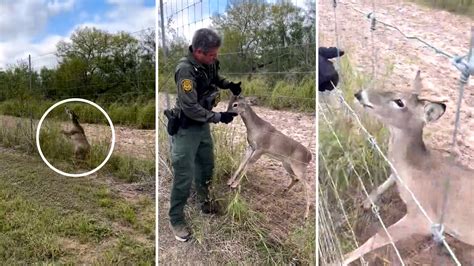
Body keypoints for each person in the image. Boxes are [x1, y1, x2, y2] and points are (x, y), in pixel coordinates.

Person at [168, 28, 242, 242]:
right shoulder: (185, 71)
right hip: (186, 128)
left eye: (216, 54)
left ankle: (206, 202)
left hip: (202, 127)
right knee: (184, 174)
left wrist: (228, 84)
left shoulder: (209, 62)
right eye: (211, 55)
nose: (215, 58)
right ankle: (176, 219)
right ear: (199, 51)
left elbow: (215, 77)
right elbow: (190, 107)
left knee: (207, 165)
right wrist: (219, 117)